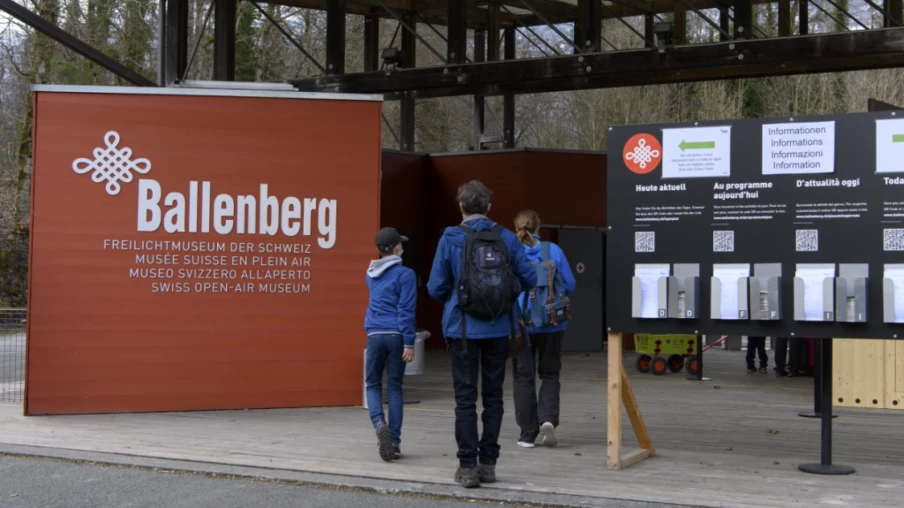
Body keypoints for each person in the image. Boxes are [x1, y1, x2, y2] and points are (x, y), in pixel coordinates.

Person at [427, 181, 536, 488]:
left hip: (461, 330)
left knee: (465, 399)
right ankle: (488, 464)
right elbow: (529, 278)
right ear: (489, 206)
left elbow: (436, 288)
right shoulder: (505, 237)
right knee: (494, 397)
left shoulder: (450, 238)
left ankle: (467, 467)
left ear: (460, 207)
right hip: (500, 328)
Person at [511, 210, 576, 449]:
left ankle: (527, 434)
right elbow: (569, 284)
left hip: (520, 325)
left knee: (522, 377)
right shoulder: (554, 251)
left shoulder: (511, 252)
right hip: (551, 323)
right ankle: (547, 418)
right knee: (549, 374)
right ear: (539, 227)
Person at [364, 227, 416, 462]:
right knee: (394, 388)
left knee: (373, 384)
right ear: (397, 248)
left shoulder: (370, 273)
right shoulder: (406, 275)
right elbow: (406, 310)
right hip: (396, 334)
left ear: (378, 250)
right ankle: (393, 441)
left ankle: (379, 424)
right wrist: (409, 341)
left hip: (374, 334)